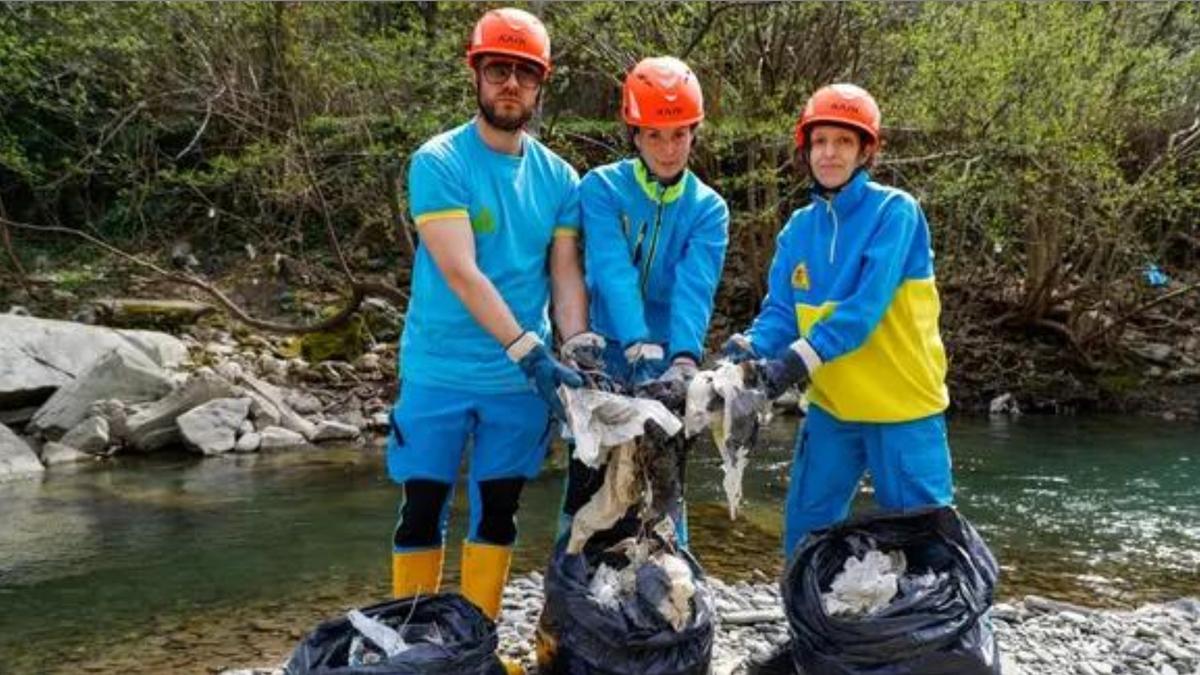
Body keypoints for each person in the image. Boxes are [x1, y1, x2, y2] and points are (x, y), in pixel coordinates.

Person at [725, 83, 955, 673]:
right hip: (834, 408)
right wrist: (750, 349)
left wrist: (789, 368)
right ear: (806, 149)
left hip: (905, 408)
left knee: (926, 545)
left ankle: (937, 654)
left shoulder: (895, 213)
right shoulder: (797, 229)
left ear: (865, 152)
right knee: (806, 532)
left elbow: (860, 311)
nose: (829, 153)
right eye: (820, 141)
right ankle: (810, 644)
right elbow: (781, 311)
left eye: (843, 142)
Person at [386, 6, 588, 632]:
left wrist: (577, 348)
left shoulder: (560, 177)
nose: (510, 84)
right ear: (475, 74)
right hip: (440, 368)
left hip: (516, 385)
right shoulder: (439, 161)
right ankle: (416, 638)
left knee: (499, 511)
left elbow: (563, 275)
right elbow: (460, 271)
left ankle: (477, 639)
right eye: (498, 69)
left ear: (539, 86)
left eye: (524, 74)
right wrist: (530, 349)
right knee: (422, 507)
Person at [558, 56, 730, 551]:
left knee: (663, 484)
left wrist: (682, 359)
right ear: (634, 134)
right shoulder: (602, 188)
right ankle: (566, 599)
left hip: (667, 358)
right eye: (655, 135)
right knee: (587, 480)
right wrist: (635, 344)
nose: (668, 148)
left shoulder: (708, 208)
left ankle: (674, 593)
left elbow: (693, 288)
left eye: (679, 134)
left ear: (695, 133)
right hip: (606, 352)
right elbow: (612, 269)